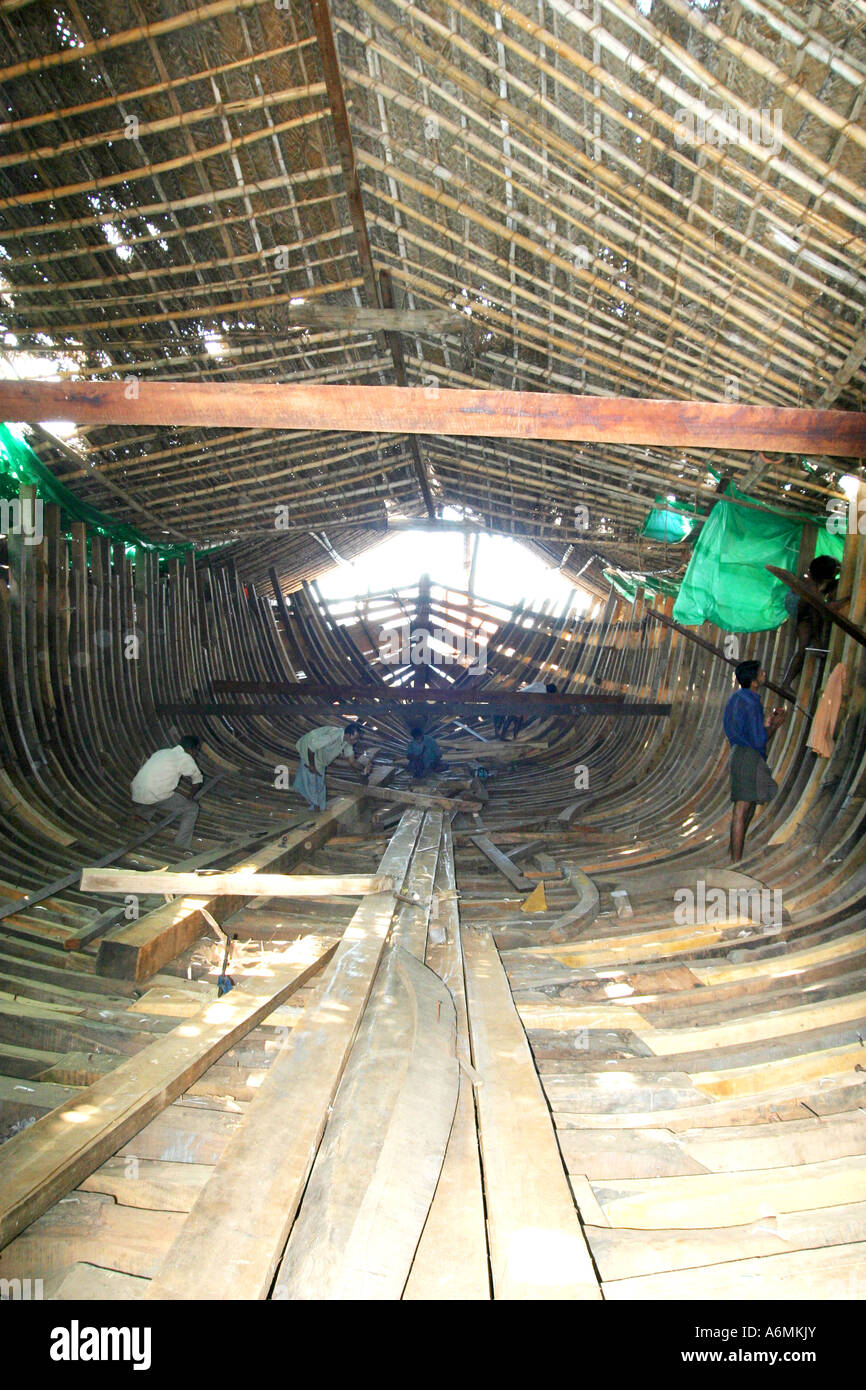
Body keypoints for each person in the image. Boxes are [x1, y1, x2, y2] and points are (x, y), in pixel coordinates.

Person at [723, 661, 786, 862]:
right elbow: (759, 740)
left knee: (745, 807)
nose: (764, 673)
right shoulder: (752, 702)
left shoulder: (737, 698)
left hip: (737, 753)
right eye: (760, 672)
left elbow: (744, 729)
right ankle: (736, 861)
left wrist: (764, 724)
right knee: (742, 809)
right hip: (748, 757)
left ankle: (734, 854)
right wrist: (775, 726)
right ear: (754, 680)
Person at [781, 555, 845, 688]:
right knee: (807, 637)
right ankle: (816, 642)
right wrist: (847, 599)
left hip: (805, 607)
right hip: (801, 607)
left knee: (803, 645)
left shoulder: (817, 574)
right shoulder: (810, 585)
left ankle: (786, 683)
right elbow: (824, 607)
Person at [131, 735, 204, 852]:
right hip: (155, 796)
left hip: (136, 793)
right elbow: (197, 780)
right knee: (192, 808)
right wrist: (190, 797)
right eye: (196, 751)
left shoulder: (162, 752)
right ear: (192, 749)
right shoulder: (185, 757)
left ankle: (141, 815)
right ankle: (181, 845)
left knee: (157, 792)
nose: (196, 754)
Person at [293, 721, 368, 811]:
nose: (355, 741)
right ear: (347, 735)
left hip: (320, 755)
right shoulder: (333, 735)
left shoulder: (348, 742)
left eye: (357, 739)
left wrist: (363, 770)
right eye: (354, 739)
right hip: (308, 748)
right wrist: (312, 766)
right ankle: (315, 806)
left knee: (320, 783)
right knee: (311, 781)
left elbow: (352, 762)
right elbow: (311, 747)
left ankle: (319, 806)